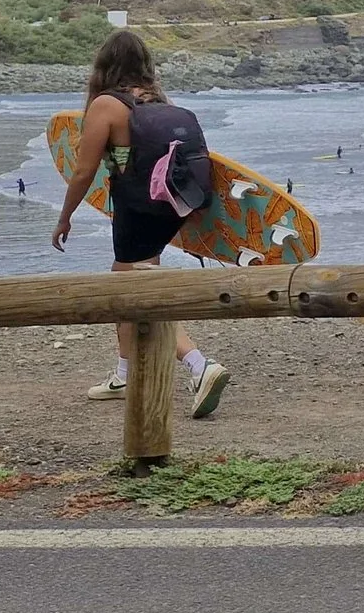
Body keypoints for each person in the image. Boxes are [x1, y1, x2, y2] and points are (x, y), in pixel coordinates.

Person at [52, 30, 232, 419]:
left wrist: (64, 217)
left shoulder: (107, 105)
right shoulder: (159, 103)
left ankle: (200, 366)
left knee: (137, 293)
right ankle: (125, 374)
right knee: (132, 284)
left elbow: (83, 172)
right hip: (174, 207)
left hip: (136, 209)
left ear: (103, 66)